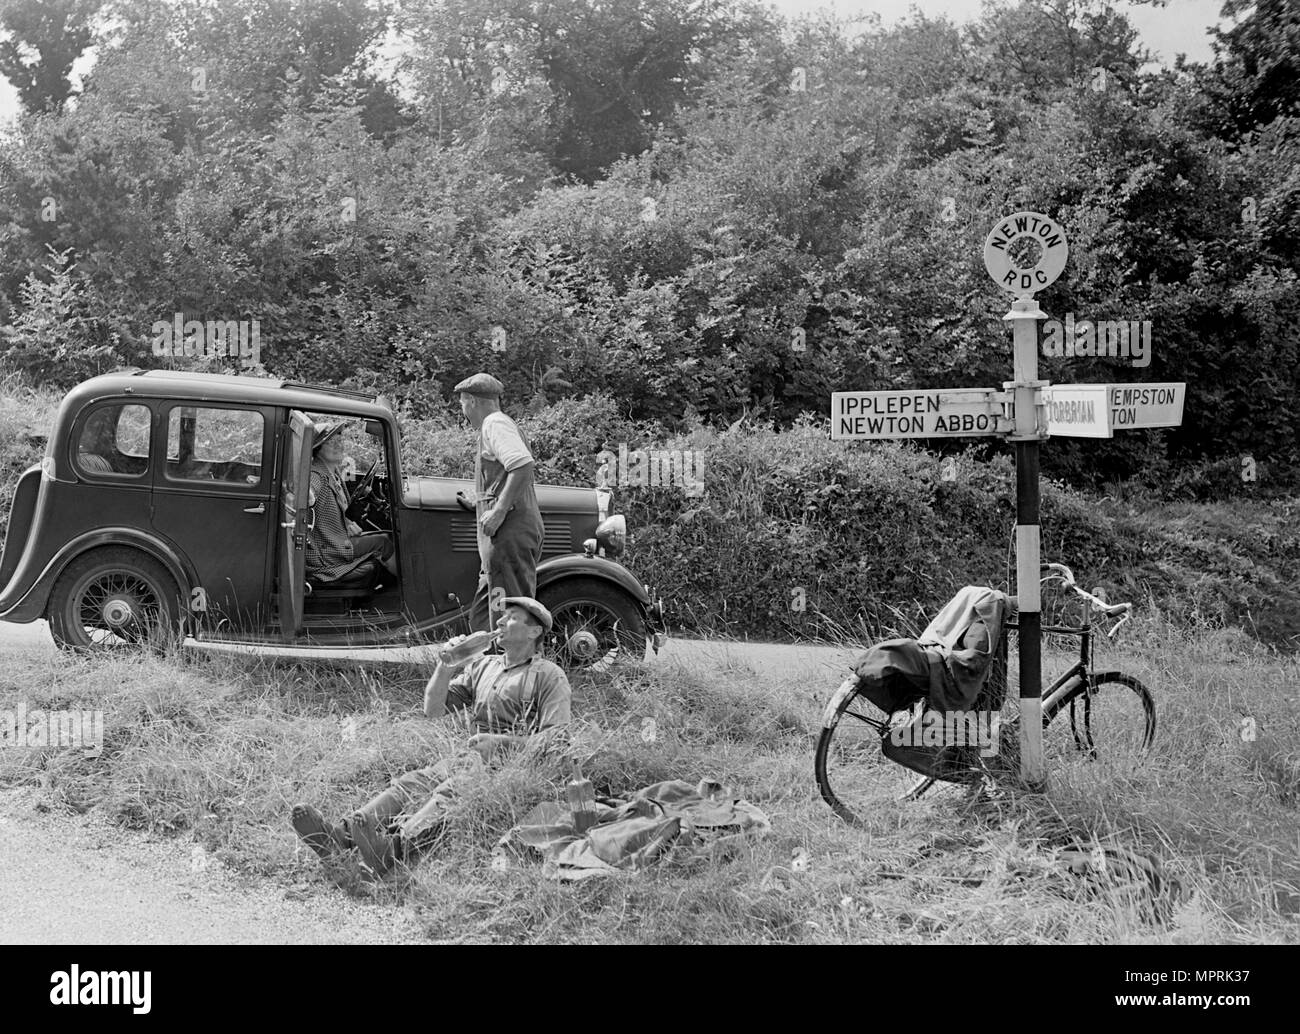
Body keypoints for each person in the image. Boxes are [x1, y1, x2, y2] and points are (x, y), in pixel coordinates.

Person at [290, 597, 571, 877]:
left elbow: (555, 739)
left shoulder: (549, 675)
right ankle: (340, 836)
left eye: (510, 617)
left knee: (452, 790)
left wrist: (501, 745)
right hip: (470, 757)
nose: (498, 621)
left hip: (511, 768)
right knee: (413, 782)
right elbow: (433, 709)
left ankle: (392, 850)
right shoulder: (485, 666)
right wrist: (446, 665)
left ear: (534, 631)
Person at [454, 373, 545, 632]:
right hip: (504, 536)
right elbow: (506, 475)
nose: (463, 411)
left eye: (462, 403)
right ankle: (490, 660)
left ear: (472, 401)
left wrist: (498, 510)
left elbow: (522, 465)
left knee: (511, 610)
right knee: (488, 610)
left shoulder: (494, 423)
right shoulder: (498, 424)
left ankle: (518, 666)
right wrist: (482, 500)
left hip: (509, 534)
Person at [304, 421, 397, 584]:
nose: (338, 445)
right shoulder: (316, 475)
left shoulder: (334, 472)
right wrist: (307, 495)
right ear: (317, 449)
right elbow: (309, 491)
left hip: (335, 538)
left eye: (339, 441)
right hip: (327, 550)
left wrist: (346, 522)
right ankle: (409, 593)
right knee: (384, 542)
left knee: (386, 534)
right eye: (330, 442)